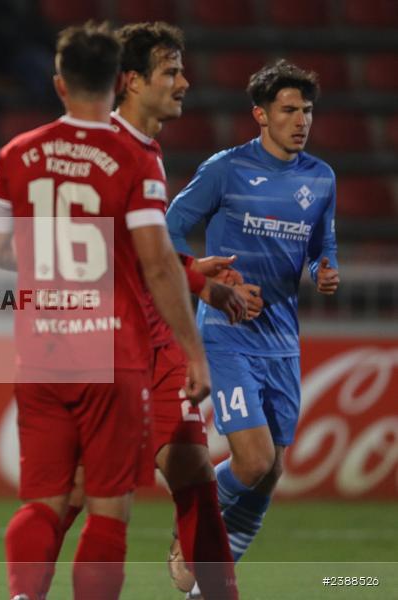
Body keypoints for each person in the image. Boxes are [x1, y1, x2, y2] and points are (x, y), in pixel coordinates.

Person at [0, 21, 211, 600]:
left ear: (59, 83)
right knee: (109, 507)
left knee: (44, 501)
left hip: (40, 350)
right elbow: (157, 264)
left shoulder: (17, 152)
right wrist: (192, 351)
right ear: (117, 82)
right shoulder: (133, 157)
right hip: (112, 352)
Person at [166, 60, 339, 599]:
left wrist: (323, 270)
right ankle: (188, 528)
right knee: (254, 459)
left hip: (283, 340)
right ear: (260, 115)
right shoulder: (227, 169)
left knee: (270, 473)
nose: (301, 120)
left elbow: (320, 245)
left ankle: (206, 592)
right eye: (289, 110)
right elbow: (168, 226)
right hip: (227, 330)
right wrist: (201, 277)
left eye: (307, 110)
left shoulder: (321, 178)